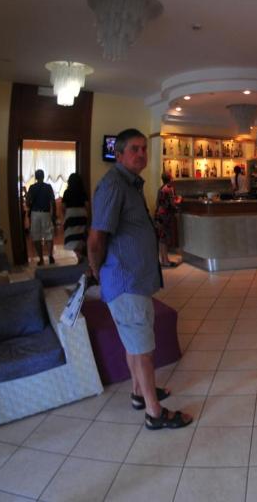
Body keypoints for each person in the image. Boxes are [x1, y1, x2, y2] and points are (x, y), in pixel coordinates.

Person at [88, 128, 191, 430]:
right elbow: (96, 238)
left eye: (144, 149)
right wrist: (97, 272)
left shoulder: (129, 184)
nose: (141, 154)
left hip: (131, 280)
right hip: (125, 281)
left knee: (134, 345)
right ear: (118, 154)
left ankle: (138, 393)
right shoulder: (114, 185)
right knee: (144, 350)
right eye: (134, 149)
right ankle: (154, 412)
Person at [27, 169, 57, 265]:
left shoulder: (31, 187)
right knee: (48, 235)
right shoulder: (48, 187)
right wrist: (54, 215)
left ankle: (41, 259)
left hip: (35, 213)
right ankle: (50, 256)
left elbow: (28, 202)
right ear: (43, 176)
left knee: (36, 237)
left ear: (36, 177)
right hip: (46, 213)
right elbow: (52, 201)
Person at [62, 172, 90, 263]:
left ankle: (79, 255)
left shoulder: (67, 192)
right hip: (82, 213)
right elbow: (87, 205)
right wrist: (88, 216)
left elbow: (63, 207)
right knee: (81, 236)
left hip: (70, 214)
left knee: (71, 237)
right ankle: (81, 255)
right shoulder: (83, 192)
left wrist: (65, 216)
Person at [154, 172, 181, 267]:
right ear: (170, 178)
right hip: (166, 216)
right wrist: (179, 200)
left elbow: (157, 203)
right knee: (164, 238)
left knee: (161, 238)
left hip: (158, 215)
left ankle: (163, 259)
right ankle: (166, 261)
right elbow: (173, 203)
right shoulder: (169, 189)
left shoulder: (160, 189)